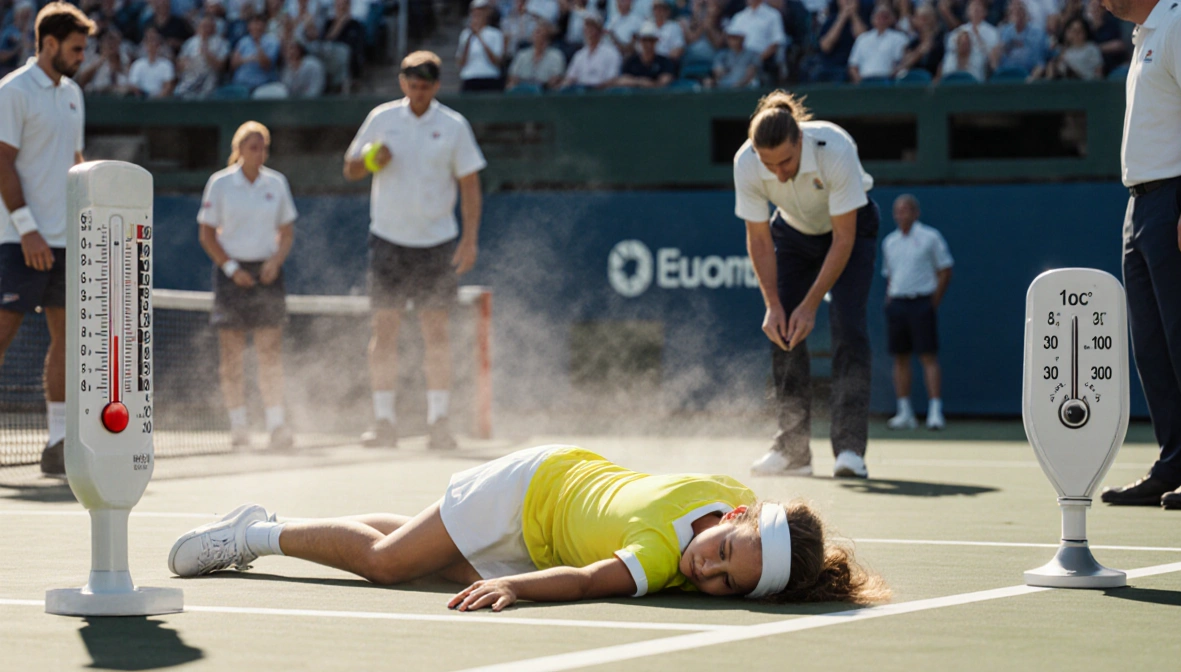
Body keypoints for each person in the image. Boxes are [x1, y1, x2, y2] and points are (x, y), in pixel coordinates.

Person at [166, 444, 890, 609]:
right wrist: (516, 588)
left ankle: (269, 528)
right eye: (723, 551)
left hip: (551, 508)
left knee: (425, 554)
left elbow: (577, 564)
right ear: (734, 515)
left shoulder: (729, 497)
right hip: (529, 488)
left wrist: (508, 576)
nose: (707, 569)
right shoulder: (656, 554)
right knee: (391, 562)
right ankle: (255, 532)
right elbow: (582, 579)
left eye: (727, 583)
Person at [343, 51, 485, 451]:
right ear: (403, 83)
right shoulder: (382, 118)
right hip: (387, 241)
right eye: (411, 85)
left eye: (425, 86)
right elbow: (350, 167)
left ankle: (439, 422)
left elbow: (470, 186)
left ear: (436, 86)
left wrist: (469, 238)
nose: (418, 92)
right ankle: (383, 422)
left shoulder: (454, 126)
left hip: (436, 244)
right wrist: (371, 159)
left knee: (436, 334)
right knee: (383, 331)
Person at [737, 91, 879, 479]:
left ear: (799, 139)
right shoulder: (747, 163)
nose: (778, 173)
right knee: (781, 330)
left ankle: (850, 449)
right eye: (770, 164)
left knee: (848, 327)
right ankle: (793, 450)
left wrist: (810, 304)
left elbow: (844, 239)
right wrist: (774, 304)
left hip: (850, 231)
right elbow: (760, 239)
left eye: (785, 161)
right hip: (793, 234)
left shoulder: (835, 147)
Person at [1098, 0, 1181, 510]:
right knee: (1152, 346)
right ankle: (1176, 462)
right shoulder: (1144, 37)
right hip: (1139, 204)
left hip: (1178, 199)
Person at [0, 2, 93, 478]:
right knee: (2, 334)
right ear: (50, 43)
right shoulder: (13, 91)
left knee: (69, 340)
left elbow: (75, 158)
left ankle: (58, 443)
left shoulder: (73, 93)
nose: (82, 56)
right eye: (76, 48)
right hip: (17, 239)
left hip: (64, 242)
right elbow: (2, 160)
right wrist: (27, 227)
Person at [197, 121, 297, 451]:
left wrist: (274, 262)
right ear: (239, 149)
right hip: (232, 277)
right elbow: (208, 234)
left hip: (267, 276)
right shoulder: (220, 183)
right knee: (232, 359)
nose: (259, 153)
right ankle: (239, 428)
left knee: (270, 355)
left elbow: (287, 232)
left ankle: (276, 425)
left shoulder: (277, 182)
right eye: (253, 146)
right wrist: (231, 268)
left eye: (263, 147)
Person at [881, 195, 953, 431]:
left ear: (916, 213)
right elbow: (890, 275)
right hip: (897, 305)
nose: (901, 215)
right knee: (900, 358)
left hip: (922, 303)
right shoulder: (889, 242)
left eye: (906, 210)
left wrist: (933, 301)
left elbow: (945, 269)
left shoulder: (930, 237)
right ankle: (905, 413)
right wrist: (890, 299)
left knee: (928, 357)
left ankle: (935, 412)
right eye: (897, 211)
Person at [558, 12, 620, 89]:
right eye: (587, 27)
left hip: (602, 95)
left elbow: (613, 80)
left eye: (592, 27)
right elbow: (570, 78)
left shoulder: (611, 53)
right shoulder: (579, 55)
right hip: (581, 95)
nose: (589, 31)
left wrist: (593, 88)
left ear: (600, 30)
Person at [847, 5, 909, 82]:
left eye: (885, 17)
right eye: (878, 17)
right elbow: (853, 65)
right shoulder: (862, 39)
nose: (881, 20)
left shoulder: (900, 38)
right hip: (865, 81)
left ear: (891, 19)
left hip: (887, 81)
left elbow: (903, 62)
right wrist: (859, 82)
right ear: (872, 19)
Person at [457, 0, 505, 92]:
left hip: (490, 76)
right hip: (469, 77)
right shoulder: (465, 34)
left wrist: (479, 37)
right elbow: (461, 62)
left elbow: (497, 61)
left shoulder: (496, 34)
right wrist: (470, 37)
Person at [506, 19, 565, 90]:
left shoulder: (556, 56)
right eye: (535, 32)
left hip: (545, 92)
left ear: (547, 37)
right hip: (523, 91)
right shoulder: (522, 55)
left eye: (539, 32)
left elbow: (556, 79)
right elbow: (512, 76)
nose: (536, 35)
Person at [612, 23, 674, 88]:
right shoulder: (631, 61)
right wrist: (640, 82)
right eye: (645, 40)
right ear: (640, 42)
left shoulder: (665, 62)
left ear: (656, 41)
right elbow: (622, 80)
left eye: (651, 40)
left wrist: (651, 84)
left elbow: (665, 80)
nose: (648, 44)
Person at [128, 26, 175, 97]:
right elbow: (133, 84)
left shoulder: (166, 65)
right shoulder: (137, 64)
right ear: (145, 46)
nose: (152, 46)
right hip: (141, 102)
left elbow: (168, 86)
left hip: (160, 102)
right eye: (149, 43)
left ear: (159, 46)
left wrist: (157, 99)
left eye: (155, 43)